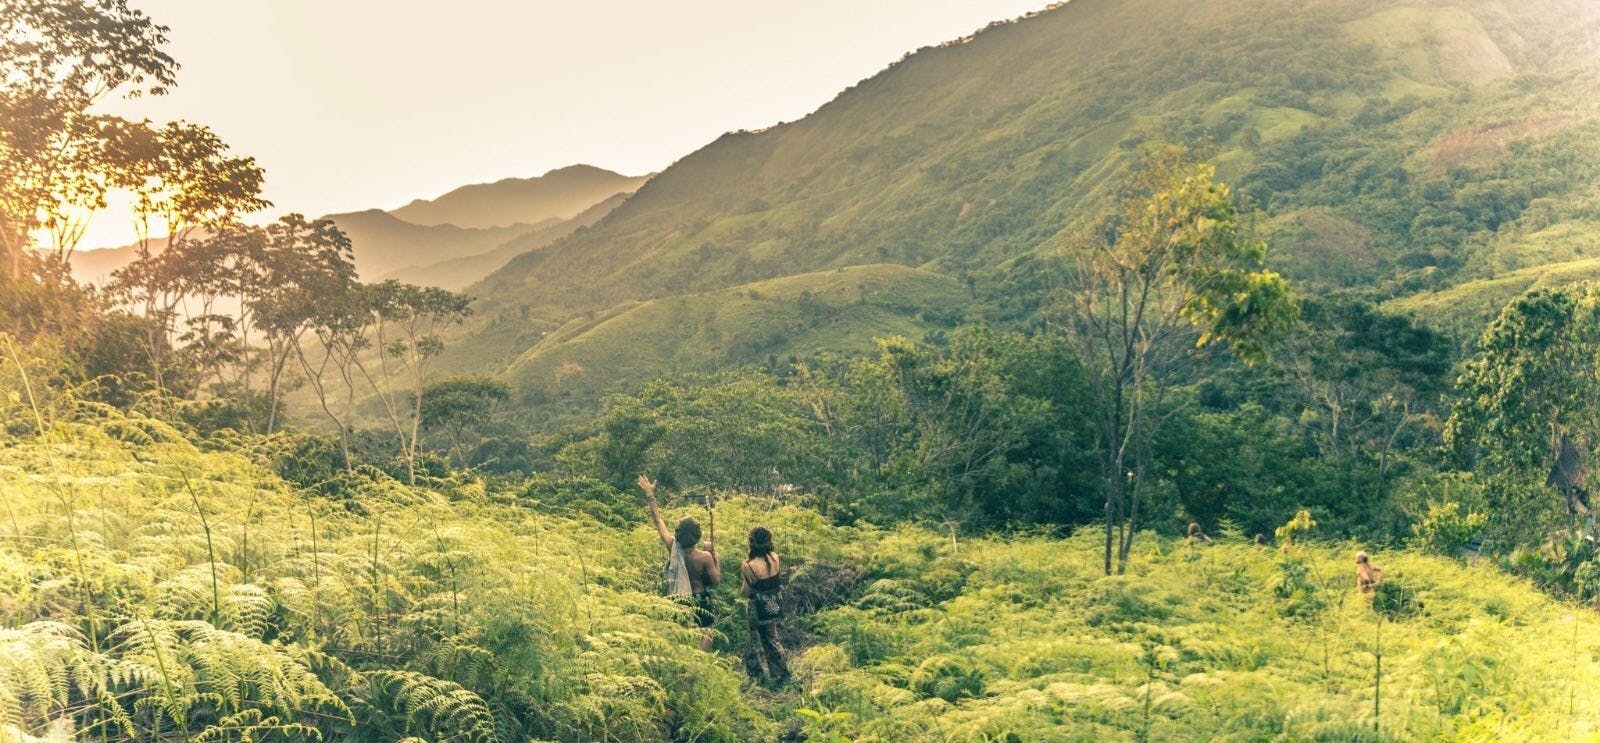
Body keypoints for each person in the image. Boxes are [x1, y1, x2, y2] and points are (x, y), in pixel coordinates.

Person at [639, 475, 720, 650]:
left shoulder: (672, 547)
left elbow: (658, 520)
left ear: (679, 534)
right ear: (696, 534)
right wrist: (716, 557)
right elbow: (716, 581)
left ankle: (687, 659)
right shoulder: (704, 557)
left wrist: (650, 495)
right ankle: (701, 659)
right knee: (708, 631)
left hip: (679, 598)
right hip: (699, 598)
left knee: (682, 634)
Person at [740, 525, 790, 686]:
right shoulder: (775, 557)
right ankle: (782, 673)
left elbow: (745, 592)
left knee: (754, 641)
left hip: (757, 608)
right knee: (773, 639)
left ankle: (758, 677)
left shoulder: (748, 565)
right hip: (774, 604)